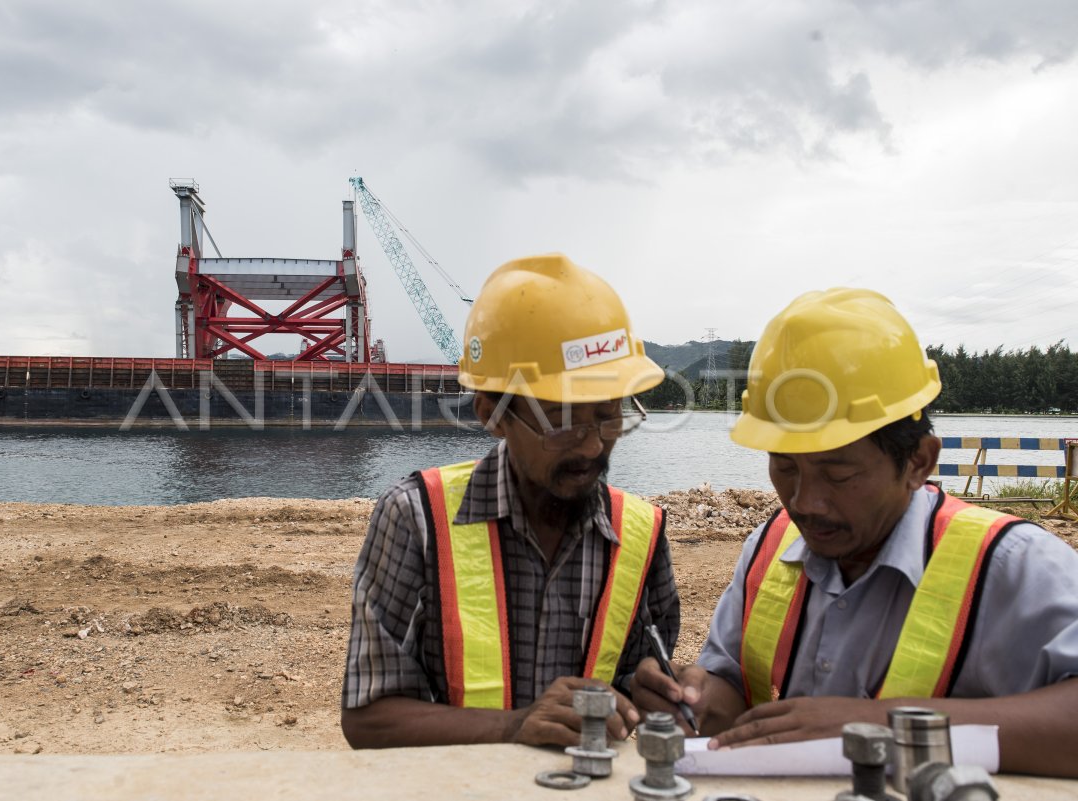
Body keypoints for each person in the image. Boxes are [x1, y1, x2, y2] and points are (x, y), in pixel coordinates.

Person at [632, 288, 1078, 777]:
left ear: (919, 461)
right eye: (784, 468)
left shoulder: (1013, 564)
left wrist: (880, 726)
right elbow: (732, 693)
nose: (804, 502)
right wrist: (690, 698)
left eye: (839, 475)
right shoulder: (770, 548)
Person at [341, 253, 680, 749]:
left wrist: (648, 690)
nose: (590, 445)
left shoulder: (641, 535)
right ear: (492, 413)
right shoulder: (416, 519)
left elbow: (636, 676)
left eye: (609, 417)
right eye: (562, 420)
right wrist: (513, 726)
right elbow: (368, 720)